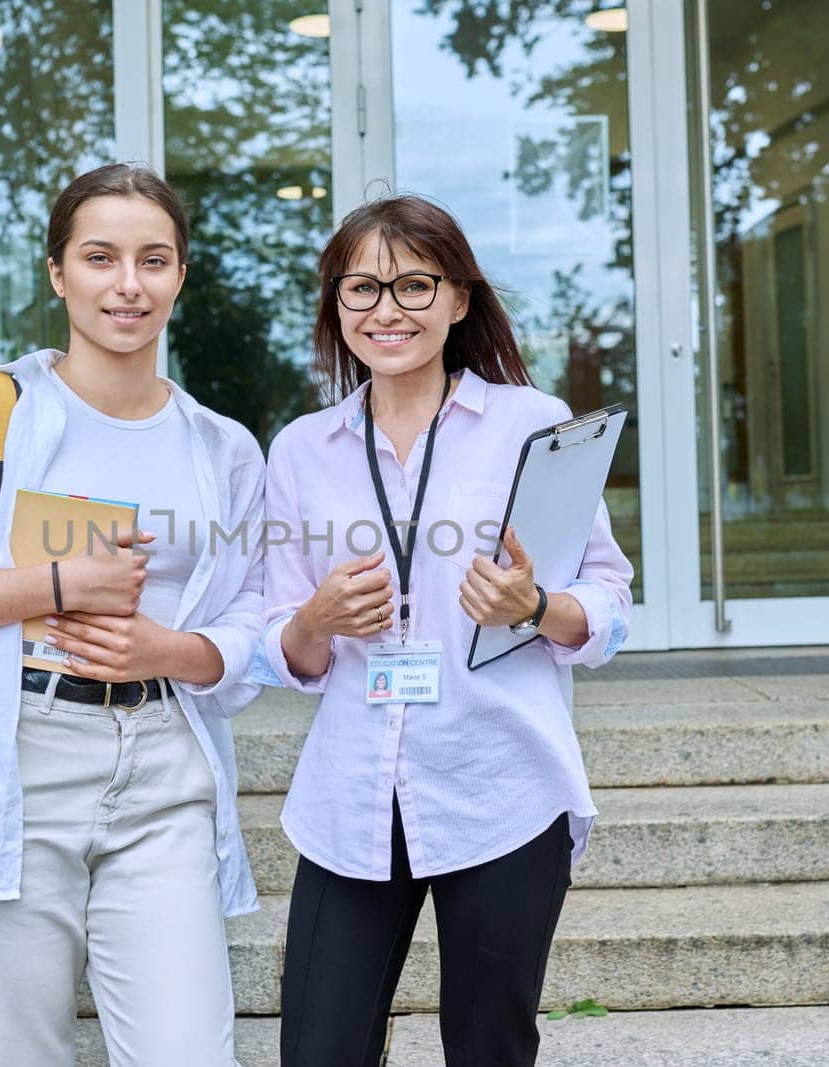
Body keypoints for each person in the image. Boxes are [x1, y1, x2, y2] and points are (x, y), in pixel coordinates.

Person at [0, 163, 265, 1067]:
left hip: (165, 769)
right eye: (100, 257)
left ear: (181, 275)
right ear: (59, 273)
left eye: (154, 260)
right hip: (17, 758)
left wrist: (174, 648)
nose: (128, 284)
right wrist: (57, 585)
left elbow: (252, 618)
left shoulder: (221, 448)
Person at [258, 194, 633, 1066]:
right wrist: (316, 618)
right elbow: (282, 641)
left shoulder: (531, 425)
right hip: (352, 791)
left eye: (413, 284)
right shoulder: (302, 450)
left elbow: (608, 598)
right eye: (362, 289)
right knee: (318, 1050)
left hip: (499, 782)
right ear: (335, 305)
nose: (387, 310)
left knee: (489, 1047)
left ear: (459, 298)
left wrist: (534, 608)